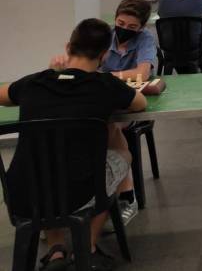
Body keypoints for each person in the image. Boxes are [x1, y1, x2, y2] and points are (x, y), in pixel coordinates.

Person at [0, 19, 147, 271]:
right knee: (122, 154)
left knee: (48, 166)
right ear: (103, 55)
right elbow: (140, 103)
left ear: (68, 48)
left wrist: (52, 75)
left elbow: (3, 96)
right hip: (78, 194)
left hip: (22, 194)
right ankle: (86, 247)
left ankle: (56, 250)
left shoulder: (33, 83)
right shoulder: (105, 86)